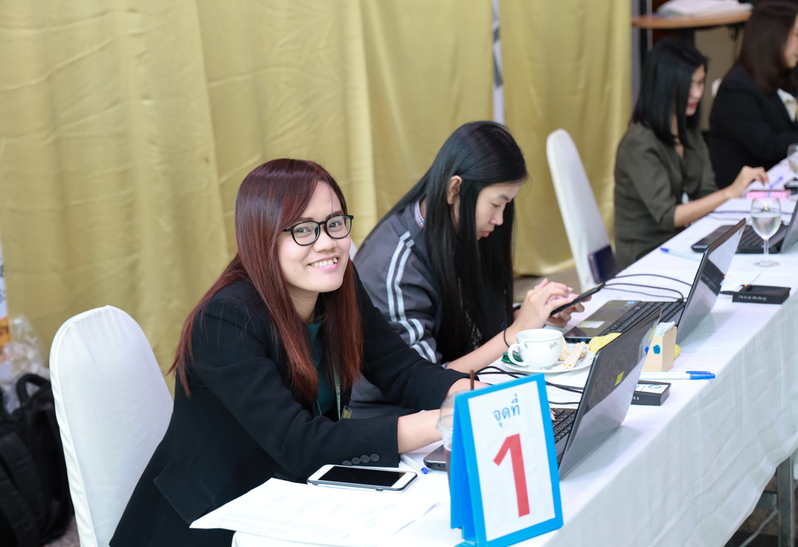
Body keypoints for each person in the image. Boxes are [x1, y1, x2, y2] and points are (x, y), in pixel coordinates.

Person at [111, 159, 473, 547]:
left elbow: (400, 369)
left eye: (335, 223)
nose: (327, 243)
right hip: (208, 520)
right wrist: (445, 422)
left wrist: (473, 394)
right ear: (262, 238)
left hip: (291, 500)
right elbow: (299, 443)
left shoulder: (337, 285)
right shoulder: (224, 320)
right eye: (303, 229)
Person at [351, 121, 581, 417]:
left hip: (462, 391)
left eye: (506, 206)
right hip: (402, 417)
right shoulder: (394, 268)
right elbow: (426, 382)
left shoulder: (459, 230)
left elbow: (462, 326)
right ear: (454, 189)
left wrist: (531, 316)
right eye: (496, 205)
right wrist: (515, 333)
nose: (499, 220)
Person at [613, 38, 767, 270]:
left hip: (683, 241)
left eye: (701, 83)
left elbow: (705, 191)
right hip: (645, 256)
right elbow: (669, 216)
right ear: (664, 85)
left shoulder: (687, 130)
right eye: (690, 85)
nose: (697, 93)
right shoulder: (638, 143)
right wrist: (729, 193)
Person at [710, 1, 798, 188]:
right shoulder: (736, 87)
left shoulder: (787, 76)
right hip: (748, 193)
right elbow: (768, 146)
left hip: (784, 183)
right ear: (774, 36)